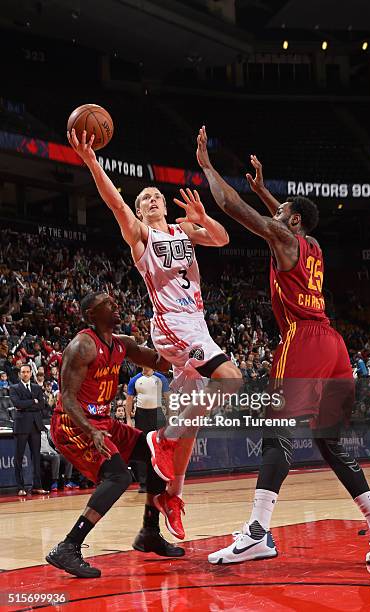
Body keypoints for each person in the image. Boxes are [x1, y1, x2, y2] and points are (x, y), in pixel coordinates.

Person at [195, 126, 370, 566]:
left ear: (290, 222)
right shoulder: (314, 245)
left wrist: (209, 168)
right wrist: (268, 192)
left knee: (277, 431)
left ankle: (256, 532)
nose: (276, 215)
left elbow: (231, 206)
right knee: (331, 442)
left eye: (281, 211)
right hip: (335, 345)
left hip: (304, 338)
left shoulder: (285, 238)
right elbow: (286, 221)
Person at [67, 128, 242, 540]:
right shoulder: (141, 236)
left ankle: (171, 496)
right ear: (140, 211)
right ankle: (163, 439)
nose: (152, 200)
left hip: (198, 324)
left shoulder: (183, 233)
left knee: (191, 420)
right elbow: (113, 201)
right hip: (172, 326)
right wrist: (92, 161)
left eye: (155, 197)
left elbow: (223, 237)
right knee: (231, 381)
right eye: (144, 199)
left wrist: (202, 219)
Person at [45, 291, 183, 579]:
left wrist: (184, 344)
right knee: (120, 476)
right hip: (73, 424)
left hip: (103, 421)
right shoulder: (82, 346)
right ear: (91, 316)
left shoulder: (123, 344)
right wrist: (92, 430)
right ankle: (68, 546)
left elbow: (162, 363)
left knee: (154, 452)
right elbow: (68, 399)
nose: (115, 305)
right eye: (106, 304)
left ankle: (149, 531)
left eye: (114, 301)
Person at [126, 366, 170, 493]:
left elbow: (168, 398)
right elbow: (129, 400)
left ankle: (162, 480)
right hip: (141, 415)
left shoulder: (161, 378)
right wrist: (129, 419)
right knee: (143, 449)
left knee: (160, 448)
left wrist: (170, 416)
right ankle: (144, 483)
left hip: (157, 414)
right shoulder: (135, 379)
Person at [10, 364, 49, 496]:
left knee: (36, 457)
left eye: (27, 372)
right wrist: (33, 401)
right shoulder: (14, 388)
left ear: (31, 373)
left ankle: (37, 486)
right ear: (20, 374)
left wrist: (25, 405)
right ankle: (20, 487)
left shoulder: (37, 387)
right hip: (21, 427)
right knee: (19, 458)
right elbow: (17, 404)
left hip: (35, 426)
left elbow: (42, 406)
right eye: (23, 372)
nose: (25, 374)